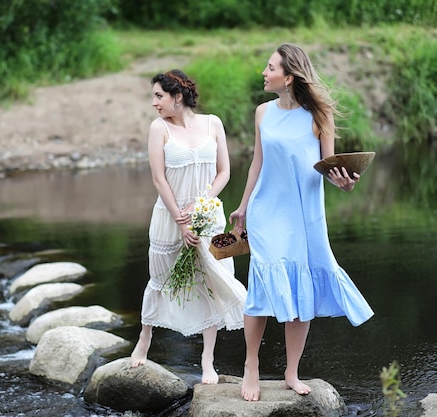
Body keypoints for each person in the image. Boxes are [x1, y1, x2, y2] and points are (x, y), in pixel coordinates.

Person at [228, 44, 375, 400]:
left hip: (304, 217)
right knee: (262, 286)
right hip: (266, 212)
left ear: (289, 76)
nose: (264, 72)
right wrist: (243, 208)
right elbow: (256, 164)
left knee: (301, 291)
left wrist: (343, 181)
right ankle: (251, 365)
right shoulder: (263, 112)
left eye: (270, 67)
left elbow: (329, 167)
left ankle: (291, 371)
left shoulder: (319, 115)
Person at [130, 69, 247, 384]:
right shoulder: (159, 128)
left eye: (159, 96)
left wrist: (201, 204)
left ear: (177, 97)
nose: (154, 103)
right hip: (170, 217)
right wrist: (180, 219)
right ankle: (145, 337)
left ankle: (208, 359)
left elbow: (224, 172)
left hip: (210, 216)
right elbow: (158, 179)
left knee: (213, 280)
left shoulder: (213, 123)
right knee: (161, 278)